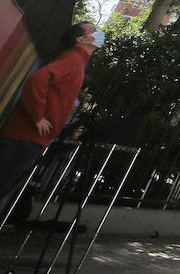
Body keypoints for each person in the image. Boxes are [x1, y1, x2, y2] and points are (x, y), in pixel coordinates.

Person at [0, 22, 103, 213]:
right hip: (24, 137)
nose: (99, 32)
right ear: (80, 40)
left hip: (29, 137)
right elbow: (37, 79)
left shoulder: (76, 61)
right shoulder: (73, 59)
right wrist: (38, 117)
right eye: (93, 30)